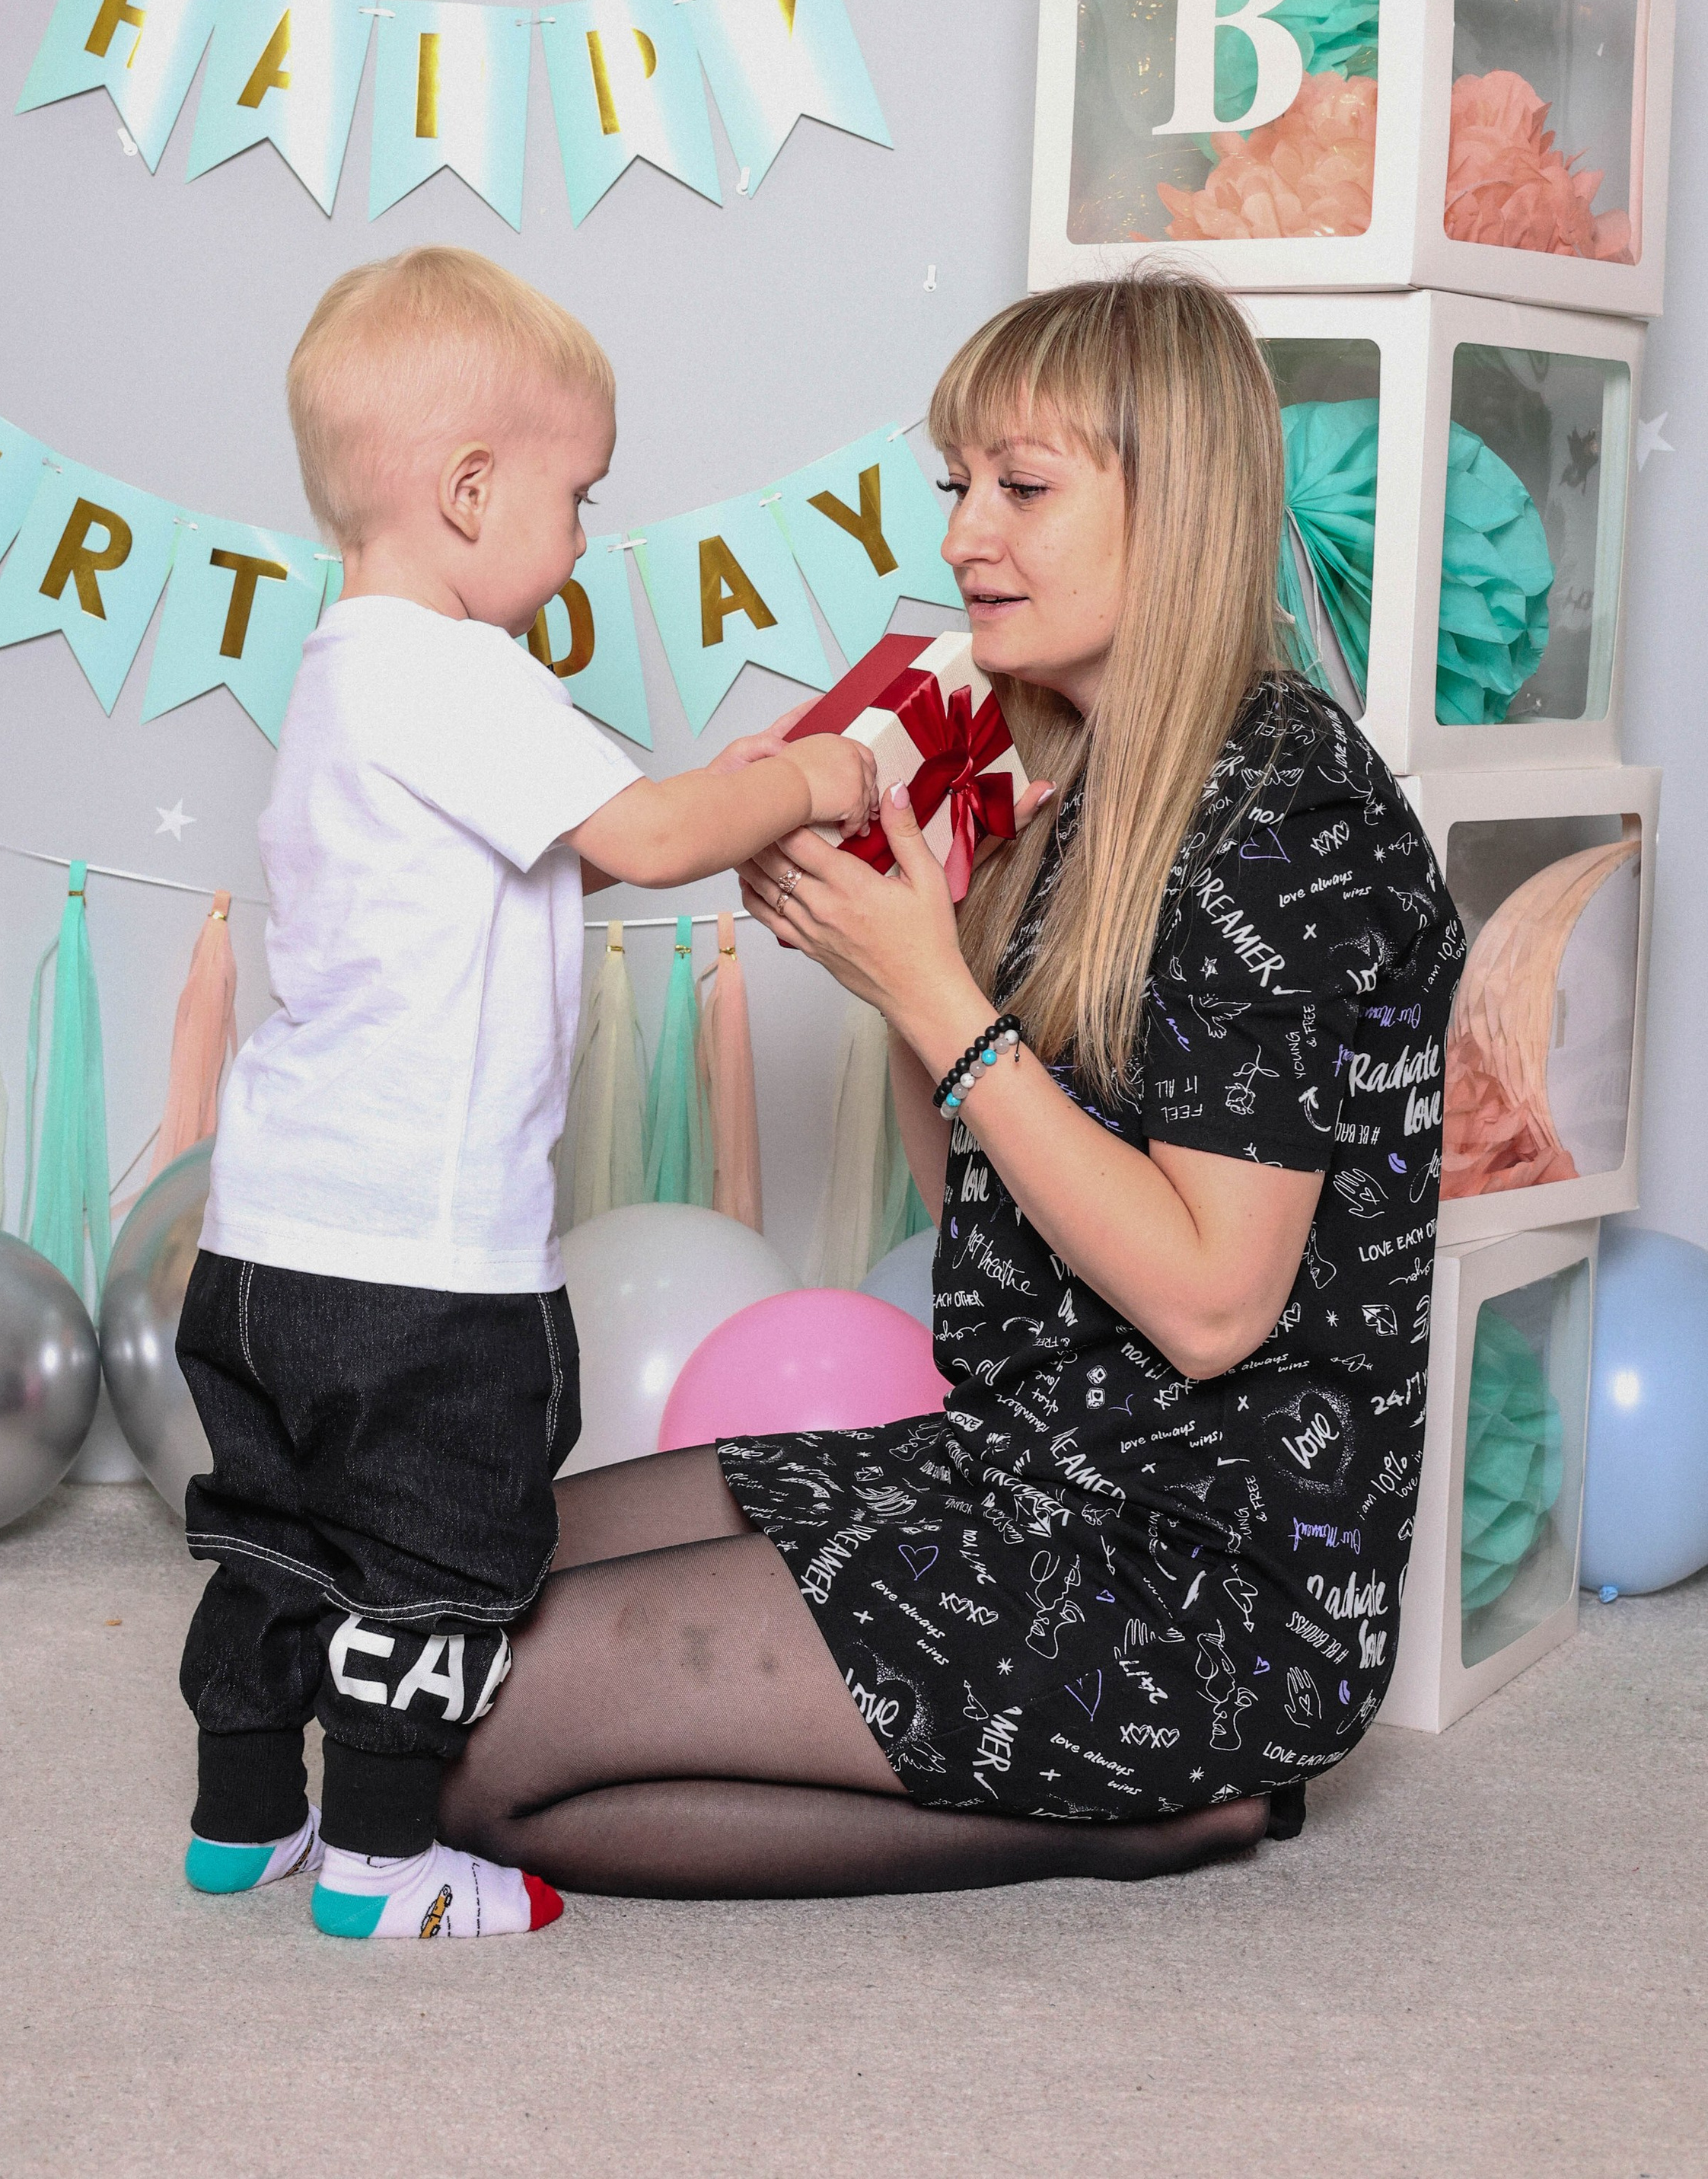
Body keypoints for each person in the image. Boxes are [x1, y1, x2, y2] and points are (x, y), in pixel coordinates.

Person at [433, 268, 1467, 1898]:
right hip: (1014, 1467)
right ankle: (1076, 1787)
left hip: (1194, 1586)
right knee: (438, 1611)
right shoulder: (1089, 795)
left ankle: (1155, 1811)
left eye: (1023, 488)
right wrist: (904, 976)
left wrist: (937, 993)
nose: (965, 535)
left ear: (1176, 504)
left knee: (471, 1746)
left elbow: (1207, 1307)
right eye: (957, 485)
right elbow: (984, 1221)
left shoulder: (1290, 819)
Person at [173, 246, 876, 1941]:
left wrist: (694, 797)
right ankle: (385, 1865)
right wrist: (807, 776)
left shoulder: (348, 675)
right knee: (438, 1549)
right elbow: (633, 839)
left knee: (277, 1533)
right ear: (471, 491)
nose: (582, 542)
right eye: (578, 498)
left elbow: (576, 853)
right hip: (423, 1267)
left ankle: (240, 1820)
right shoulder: (460, 675)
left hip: (269, 1245)